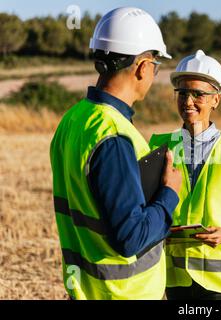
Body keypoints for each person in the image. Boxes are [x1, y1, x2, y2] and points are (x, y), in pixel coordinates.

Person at [49, 7, 181, 300]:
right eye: (155, 65)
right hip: (122, 293)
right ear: (143, 66)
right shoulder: (113, 135)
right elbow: (130, 238)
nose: (153, 73)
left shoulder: (73, 120)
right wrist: (170, 194)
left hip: (86, 289)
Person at [149, 50, 221, 300]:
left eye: (198, 94)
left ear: (216, 100)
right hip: (175, 278)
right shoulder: (159, 146)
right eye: (182, 93)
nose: (188, 101)